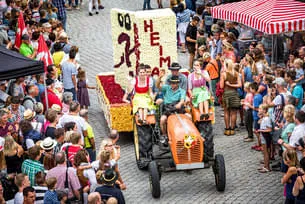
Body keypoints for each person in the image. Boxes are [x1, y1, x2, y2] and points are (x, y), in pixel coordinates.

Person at [158, 75, 186, 143]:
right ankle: (164, 135)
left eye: (174, 83)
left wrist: (179, 104)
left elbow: (182, 100)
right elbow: (158, 86)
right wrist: (159, 78)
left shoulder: (182, 91)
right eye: (171, 83)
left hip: (178, 108)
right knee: (162, 119)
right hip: (168, 108)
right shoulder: (167, 88)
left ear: (177, 83)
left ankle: (188, 133)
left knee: (189, 117)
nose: (172, 85)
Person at [220, 59, 241, 135]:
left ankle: (227, 129)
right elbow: (239, 85)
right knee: (234, 112)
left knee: (226, 112)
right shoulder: (236, 73)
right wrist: (233, 85)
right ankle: (232, 129)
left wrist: (228, 84)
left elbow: (221, 86)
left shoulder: (223, 74)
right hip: (235, 94)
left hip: (226, 93)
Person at [257, 104, 272, 173]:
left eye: (260, 109)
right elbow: (259, 122)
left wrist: (261, 130)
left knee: (266, 153)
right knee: (264, 152)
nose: (258, 110)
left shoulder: (267, 119)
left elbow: (269, 129)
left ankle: (267, 167)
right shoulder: (264, 118)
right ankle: (265, 165)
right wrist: (260, 117)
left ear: (264, 110)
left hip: (266, 137)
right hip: (263, 136)